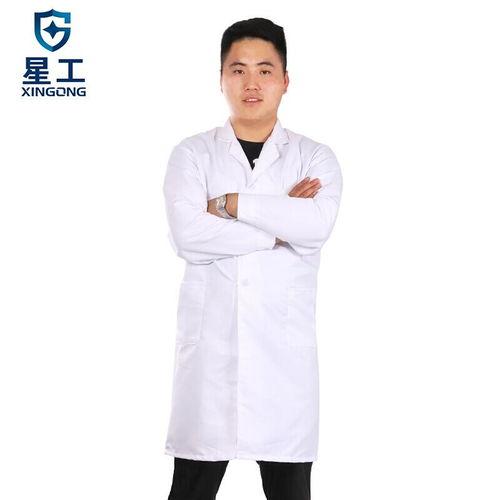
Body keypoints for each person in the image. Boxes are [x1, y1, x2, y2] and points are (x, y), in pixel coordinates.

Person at [162, 17, 343, 500]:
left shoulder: (314, 158)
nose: (251, 83)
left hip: (283, 365)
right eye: (238, 70)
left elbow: (314, 226)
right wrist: (278, 228)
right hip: (211, 362)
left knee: (290, 492)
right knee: (190, 489)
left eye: (265, 70)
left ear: (285, 80)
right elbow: (188, 234)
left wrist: (231, 204)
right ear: (220, 78)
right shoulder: (192, 155)